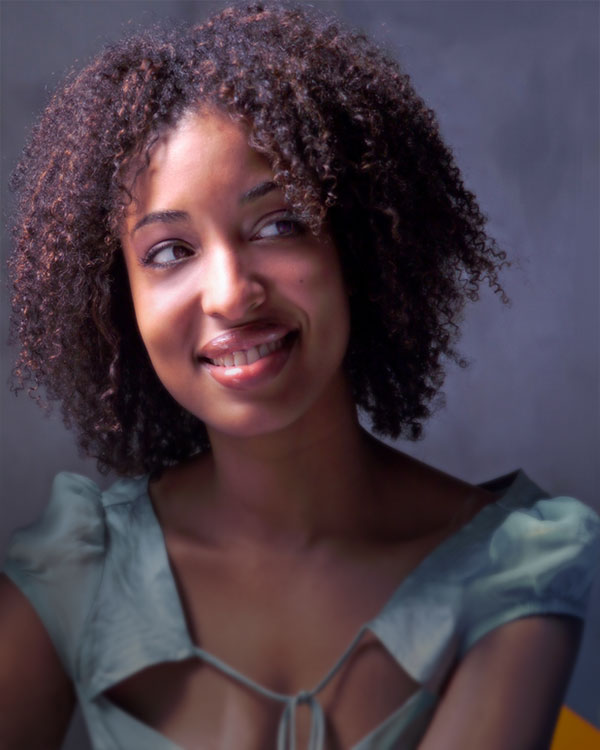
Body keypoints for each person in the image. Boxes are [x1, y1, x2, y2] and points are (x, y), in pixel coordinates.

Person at [1, 3, 598, 749]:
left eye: (280, 225)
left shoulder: (514, 570)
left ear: (358, 251)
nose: (229, 293)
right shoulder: (77, 566)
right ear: (119, 303)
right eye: (168, 252)